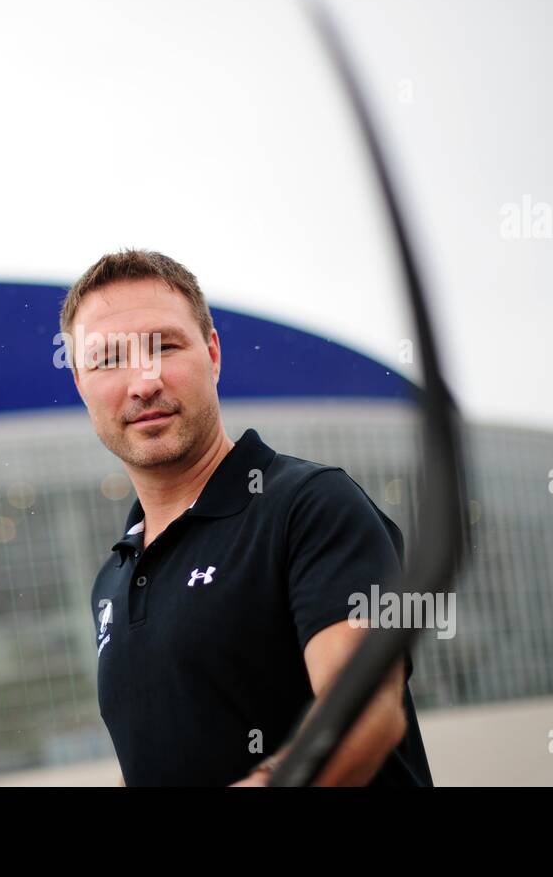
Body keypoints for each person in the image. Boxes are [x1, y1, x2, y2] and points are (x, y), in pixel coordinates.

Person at [61, 248, 433, 786]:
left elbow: (364, 715)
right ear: (79, 382)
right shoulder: (111, 581)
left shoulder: (309, 505)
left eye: (164, 346)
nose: (142, 383)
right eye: (108, 359)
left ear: (212, 354)